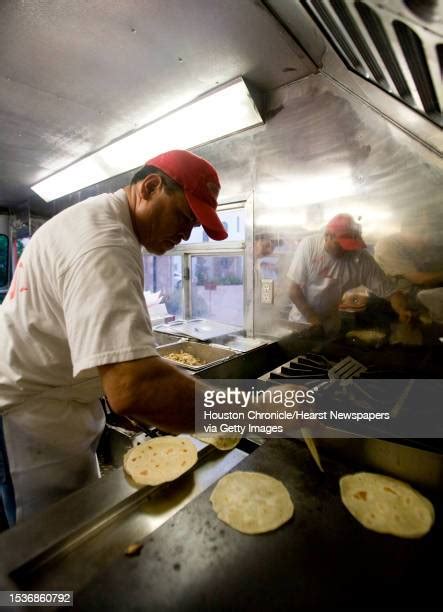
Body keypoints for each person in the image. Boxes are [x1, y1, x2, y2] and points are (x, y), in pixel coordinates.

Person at [0, 149, 228, 525]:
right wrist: (252, 410)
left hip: (52, 404)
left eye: (195, 227)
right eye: (185, 217)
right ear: (151, 187)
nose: (186, 234)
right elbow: (134, 387)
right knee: (43, 555)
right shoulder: (105, 241)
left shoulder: (97, 221)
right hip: (25, 423)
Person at [287, 214, 412, 336]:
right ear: (327, 236)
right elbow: (293, 290)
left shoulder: (361, 259)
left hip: (330, 325)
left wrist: (402, 310)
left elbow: (391, 292)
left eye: (350, 245)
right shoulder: (309, 246)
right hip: (302, 323)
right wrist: (313, 319)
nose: (347, 250)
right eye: (341, 245)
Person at [374, 212, 443, 319]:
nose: (427, 238)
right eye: (421, 232)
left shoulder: (428, 247)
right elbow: (418, 279)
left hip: (415, 303)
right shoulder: (388, 244)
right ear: (405, 230)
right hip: (388, 305)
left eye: (430, 232)